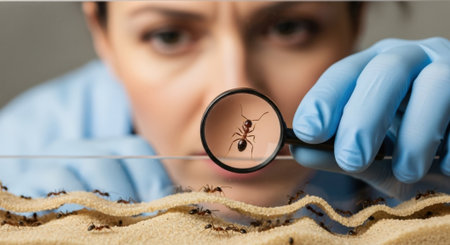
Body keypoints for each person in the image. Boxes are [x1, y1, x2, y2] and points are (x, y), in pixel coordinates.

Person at [0, 2, 448, 219]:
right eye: (170, 36)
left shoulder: (423, 135)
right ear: (103, 36)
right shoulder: (17, 154)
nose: (235, 92)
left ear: (357, 22)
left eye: (290, 28)